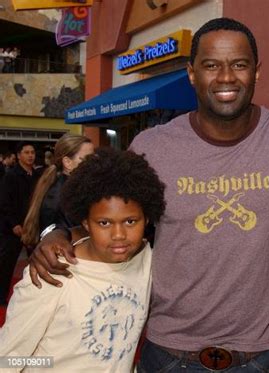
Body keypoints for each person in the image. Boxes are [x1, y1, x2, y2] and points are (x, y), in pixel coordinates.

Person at [30, 18, 269, 372]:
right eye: (212, 65)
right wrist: (56, 234)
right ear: (191, 73)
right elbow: (102, 214)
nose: (226, 77)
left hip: (263, 355)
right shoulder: (153, 146)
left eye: (239, 64)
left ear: (256, 72)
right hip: (170, 354)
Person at [0, 148, 166, 372]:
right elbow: (7, 359)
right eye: (104, 223)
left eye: (130, 222)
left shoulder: (146, 260)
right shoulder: (50, 273)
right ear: (85, 223)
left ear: (146, 219)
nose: (119, 235)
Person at [21, 134, 94, 249]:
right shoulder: (67, 195)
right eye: (87, 159)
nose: (93, 164)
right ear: (67, 162)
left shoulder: (66, 188)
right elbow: (75, 238)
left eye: (94, 158)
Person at [0, 142, 40, 305]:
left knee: (37, 262)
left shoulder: (37, 176)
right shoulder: (11, 176)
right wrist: (14, 224)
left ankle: (36, 296)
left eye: (32, 152)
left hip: (33, 227)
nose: (31, 155)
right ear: (18, 155)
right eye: (26, 152)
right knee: (6, 265)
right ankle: (1, 298)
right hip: (12, 229)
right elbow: (4, 203)